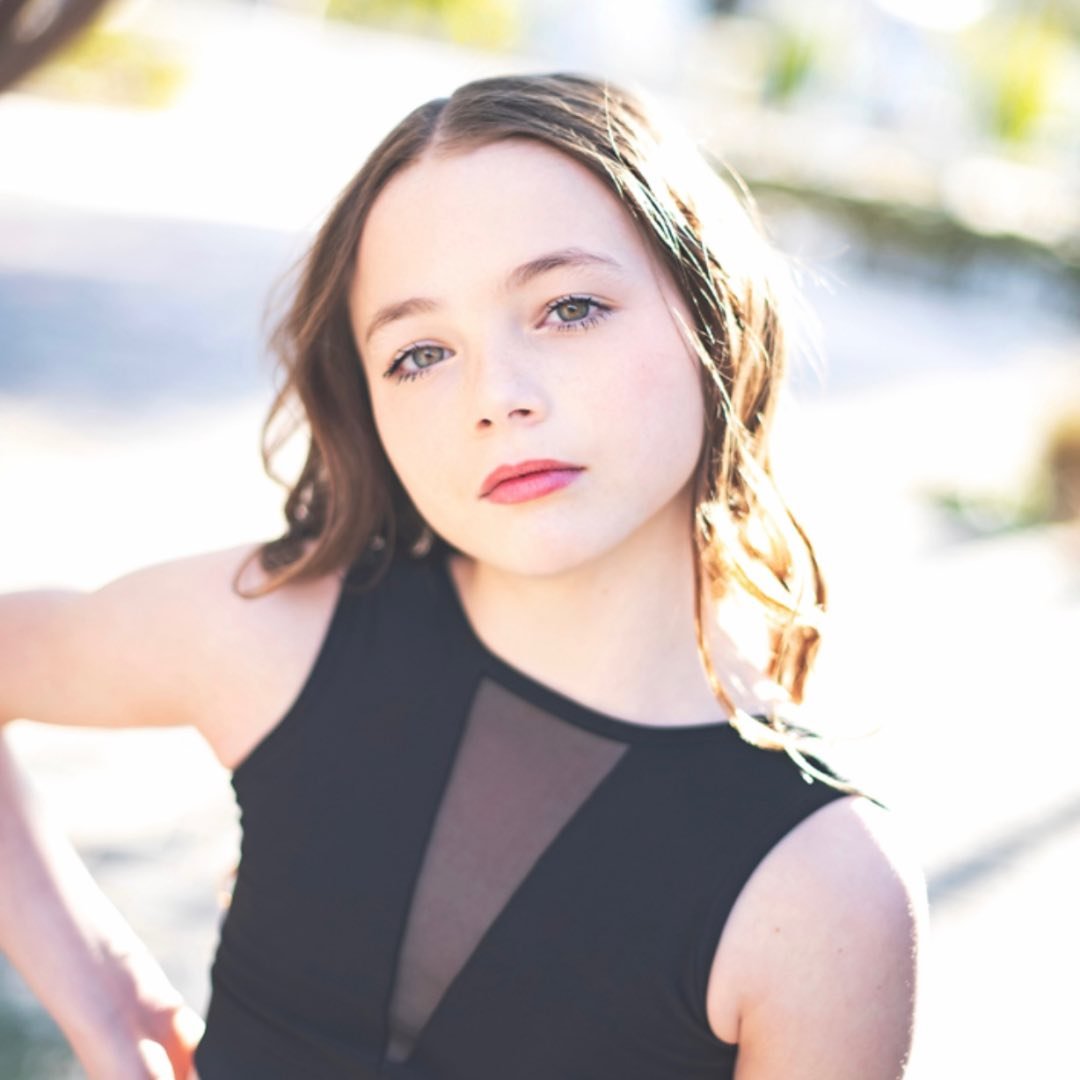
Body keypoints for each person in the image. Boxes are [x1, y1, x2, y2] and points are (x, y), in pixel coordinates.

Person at [0, 72, 926, 1079]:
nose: (497, 396)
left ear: (714, 312)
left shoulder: (827, 893)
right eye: (421, 353)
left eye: (568, 307)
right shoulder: (275, 635)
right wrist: (99, 995)